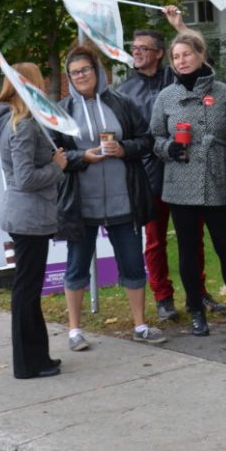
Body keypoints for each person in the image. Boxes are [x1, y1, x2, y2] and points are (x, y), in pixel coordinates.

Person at [53, 44, 165, 350]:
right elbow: (57, 154)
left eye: (86, 70)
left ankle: (140, 325)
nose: (80, 76)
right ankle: (75, 331)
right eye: (74, 72)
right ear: (69, 77)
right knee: (76, 266)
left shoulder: (121, 103)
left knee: (131, 263)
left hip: (122, 201)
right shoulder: (63, 111)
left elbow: (146, 140)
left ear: (97, 72)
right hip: (81, 204)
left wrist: (124, 148)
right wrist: (82, 157)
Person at [116, 13, 225, 321]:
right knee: (154, 239)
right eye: (134, 48)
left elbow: (205, 63)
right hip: (148, 174)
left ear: (159, 53)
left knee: (193, 236)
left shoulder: (174, 76)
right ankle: (163, 296)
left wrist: (180, 26)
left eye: (144, 48)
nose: (137, 52)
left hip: (184, 170)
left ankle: (198, 292)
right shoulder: (124, 92)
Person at [150, 30, 226, 336]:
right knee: (188, 250)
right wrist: (168, 148)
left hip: (215, 181)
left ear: (201, 54)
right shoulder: (166, 96)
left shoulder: (224, 92)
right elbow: (154, 136)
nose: (181, 61)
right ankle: (196, 310)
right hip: (179, 184)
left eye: (187, 54)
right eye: (176, 56)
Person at [0, 64, 67, 379]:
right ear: (29, 85)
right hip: (28, 217)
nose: (45, 85)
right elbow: (26, 177)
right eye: (40, 80)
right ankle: (29, 364)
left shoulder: (19, 123)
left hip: (28, 216)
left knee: (28, 291)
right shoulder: (23, 126)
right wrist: (57, 165)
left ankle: (38, 357)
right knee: (27, 291)